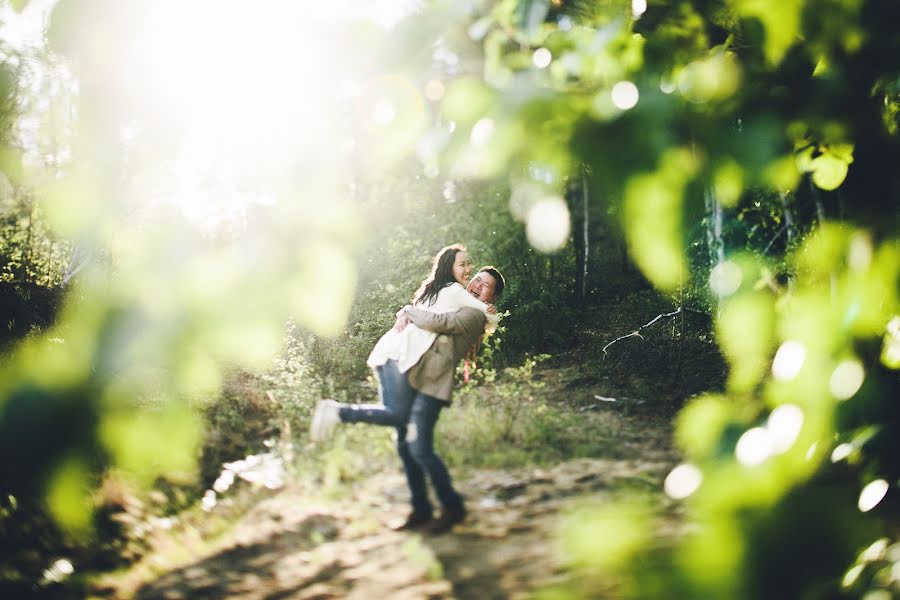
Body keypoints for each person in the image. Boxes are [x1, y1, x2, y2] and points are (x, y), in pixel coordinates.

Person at [311, 249, 506, 535]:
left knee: (419, 448)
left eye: (485, 286)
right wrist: (408, 313)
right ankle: (421, 509)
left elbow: (442, 324)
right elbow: (432, 317)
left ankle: (453, 508)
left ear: (492, 297)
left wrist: (409, 311)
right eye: (476, 279)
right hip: (418, 378)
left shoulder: (474, 316)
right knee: (406, 445)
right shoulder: (457, 301)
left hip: (432, 386)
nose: (476, 285)